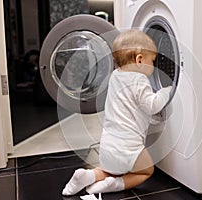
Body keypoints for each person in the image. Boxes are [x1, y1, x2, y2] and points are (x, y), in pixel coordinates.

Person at [62, 29, 172, 196]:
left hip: (107, 145)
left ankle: (87, 175)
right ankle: (114, 185)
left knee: (111, 169)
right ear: (140, 60)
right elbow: (152, 105)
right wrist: (166, 92)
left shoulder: (115, 76)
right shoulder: (139, 79)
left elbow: (132, 107)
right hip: (129, 146)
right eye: (153, 61)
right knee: (146, 171)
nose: (154, 66)